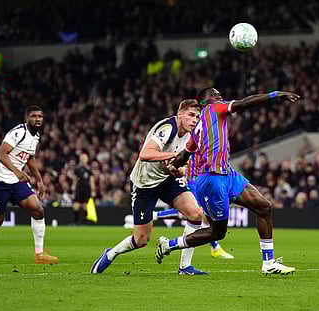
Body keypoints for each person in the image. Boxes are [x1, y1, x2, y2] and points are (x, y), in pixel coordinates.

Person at [155, 87, 300, 275]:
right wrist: (274, 95)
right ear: (203, 101)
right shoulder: (215, 108)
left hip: (228, 174)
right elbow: (244, 103)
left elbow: (186, 153)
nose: (218, 96)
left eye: (219, 94)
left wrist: (175, 165)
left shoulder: (199, 128)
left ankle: (269, 262)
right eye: (213, 94)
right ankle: (169, 245)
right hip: (211, 180)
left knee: (264, 207)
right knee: (218, 233)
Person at [91, 99, 206, 274]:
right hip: (145, 184)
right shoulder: (168, 128)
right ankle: (110, 254)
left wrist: (179, 170)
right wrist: (174, 156)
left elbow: (184, 167)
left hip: (167, 180)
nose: (194, 119)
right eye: (191, 115)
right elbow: (145, 153)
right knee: (141, 240)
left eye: (197, 116)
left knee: (196, 214)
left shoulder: (193, 135)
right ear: (180, 114)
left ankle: (185, 267)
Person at [0, 106, 59, 264]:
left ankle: (39, 255)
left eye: (40, 116)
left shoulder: (35, 136)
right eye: (34, 116)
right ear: (27, 118)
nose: (38, 119)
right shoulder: (18, 132)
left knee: (38, 210)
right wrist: (16, 171)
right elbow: (1, 153)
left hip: (16, 182)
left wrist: (39, 179)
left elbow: (29, 158)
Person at [155, 152, 235, 270]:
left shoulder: (199, 140)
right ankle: (155, 216)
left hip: (198, 178)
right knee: (197, 212)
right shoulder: (193, 140)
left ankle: (215, 248)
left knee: (203, 215)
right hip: (192, 180)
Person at [72, 153, 96, 225]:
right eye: (83, 158)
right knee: (76, 204)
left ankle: (84, 221)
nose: (84, 160)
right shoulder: (77, 169)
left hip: (86, 189)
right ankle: (76, 221)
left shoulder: (88, 169)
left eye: (85, 158)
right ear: (80, 159)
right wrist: (73, 187)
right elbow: (75, 179)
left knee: (86, 204)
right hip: (79, 188)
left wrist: (93, 189)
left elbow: (91, 179)